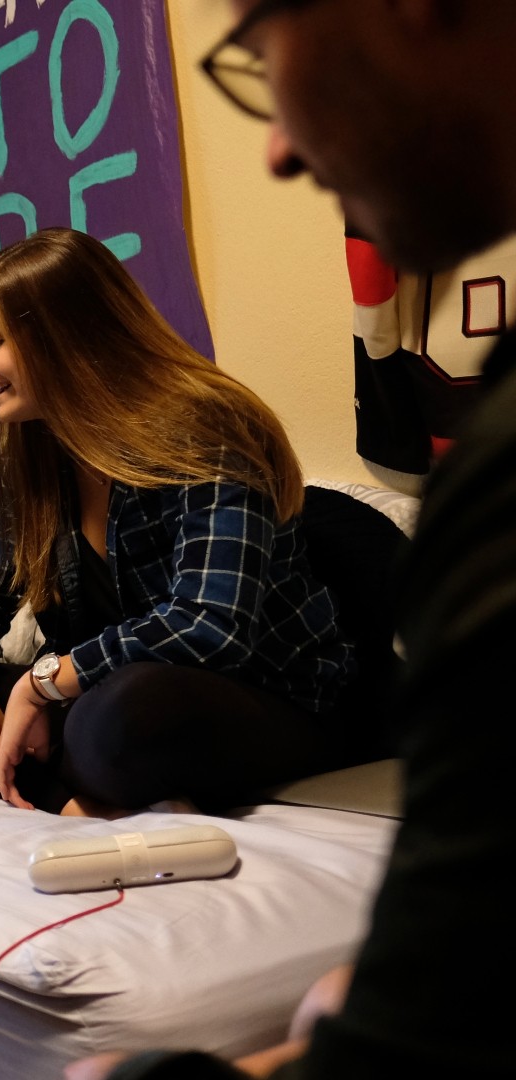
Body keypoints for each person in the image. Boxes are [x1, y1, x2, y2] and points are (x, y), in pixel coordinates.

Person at [70, 0, 516, 1075]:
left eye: (261, 57)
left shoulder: (485, 469)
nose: (275, 147)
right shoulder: (33, 469)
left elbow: (204, 625)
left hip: (276, 695)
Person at [0, 227, 360, 817]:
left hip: (259, 697)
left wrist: (40, 684)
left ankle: (68, 780)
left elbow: (209, 626)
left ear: (62, 336)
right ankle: (70, 800)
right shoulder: (34, 456)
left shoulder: (210, 427)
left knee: (115, 716)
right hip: (91, 694)